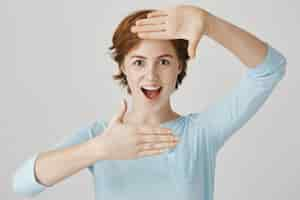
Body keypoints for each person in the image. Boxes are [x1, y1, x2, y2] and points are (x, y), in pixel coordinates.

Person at [12, 4, 287, 200]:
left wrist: (209, 23)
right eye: (138, 62)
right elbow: (23, 184)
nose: (151, 75)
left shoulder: (199, 134)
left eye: (164, 62)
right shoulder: (101, 136)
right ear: (122, 67)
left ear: (180, 65)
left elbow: (270, 69)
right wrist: (99, 149)